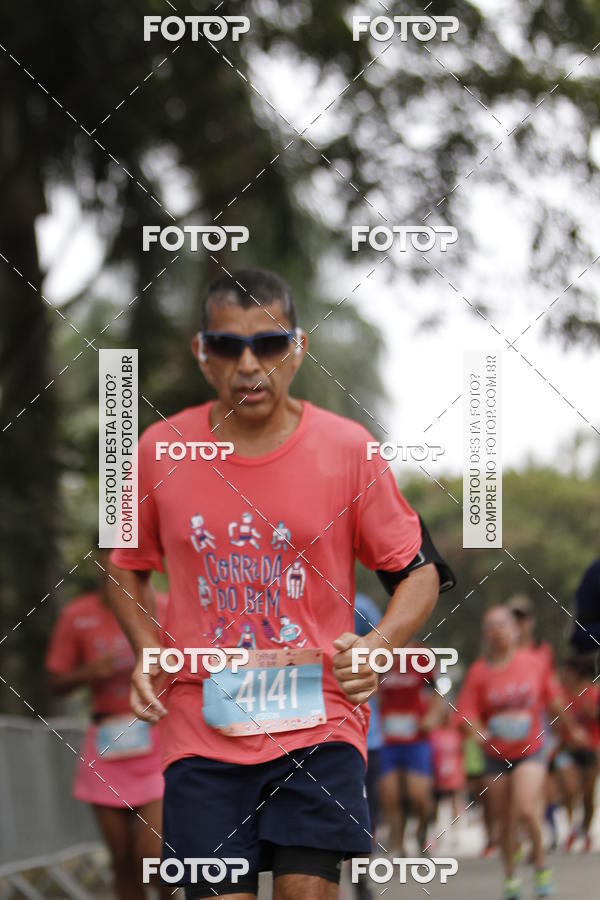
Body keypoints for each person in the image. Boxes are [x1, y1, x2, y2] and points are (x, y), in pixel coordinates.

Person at [108, 268, 456, 900]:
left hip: (320, 721)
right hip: (201, 729)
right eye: (227, 346)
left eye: (268, 345)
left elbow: (419, 572)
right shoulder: (157, 450)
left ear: (297, 348)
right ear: (201, 354)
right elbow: (123, 563)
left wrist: (380, 642)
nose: (249, 365)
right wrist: (144, 647)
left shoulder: (350, 448)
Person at [45, 548, 169, 900]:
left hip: (158, 739)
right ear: (97, 561)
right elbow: (54, 681)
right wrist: (90, 672)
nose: (116, 563)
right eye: (108, 556)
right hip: (106, 744)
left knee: (153, 856)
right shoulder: (76, 616)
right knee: (122, 859)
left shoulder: (166, 605)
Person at [457, 605, 585, 900]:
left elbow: (554, 700)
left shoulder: (534, 662)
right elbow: (466, 712)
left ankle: (541, 866)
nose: (498, 630)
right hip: (495, 755)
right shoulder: (479, 672)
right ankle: (511, 877)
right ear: (485, 634)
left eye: (503, 624)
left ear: (515, 631)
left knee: (527, 809)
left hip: (531, 750)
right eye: (491, 625)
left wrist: (572, 729)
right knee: (505, 821)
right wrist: (480, 732)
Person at [377, 642, 443, 855]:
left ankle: (422, 831)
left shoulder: (420, 655)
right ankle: (398, 846)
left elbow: (437, 691)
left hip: (416, 738)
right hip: (387, 740)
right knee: (390, 796)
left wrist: (432, 716)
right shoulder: (379, 654)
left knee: (419, 796)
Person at [352, 593, 384, 900]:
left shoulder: (361, 605)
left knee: (364, 813)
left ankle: (361, 875)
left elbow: (384, 649)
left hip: (365, 736)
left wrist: (368, 679)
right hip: (305, 734)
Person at [554, 656, 600, 852]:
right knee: (570, 789)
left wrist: (592, 712)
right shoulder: (561, 694)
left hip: (591, 750)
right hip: (567, 750)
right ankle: (572, 827)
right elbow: (554, 720)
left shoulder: (594, 692)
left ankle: (585, 832)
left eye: (567, 672)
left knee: (588, 796)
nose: (564, 675)